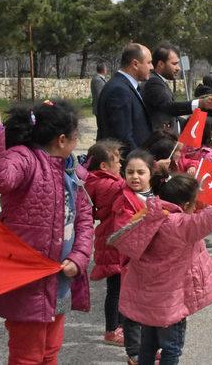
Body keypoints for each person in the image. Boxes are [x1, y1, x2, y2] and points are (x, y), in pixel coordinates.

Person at [0, 99, 93, 364]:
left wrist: (79, 257)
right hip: (28, 282)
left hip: (59, 280)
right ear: (62, 140)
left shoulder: (73, 171)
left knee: (50, 351)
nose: (77, 143)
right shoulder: (25, 159)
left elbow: (85, 220)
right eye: (76, 137)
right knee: (26, 355)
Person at [109, 174, 212, 365]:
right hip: (170, 304)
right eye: (194, 202)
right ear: (185, 205)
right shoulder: (180, 226)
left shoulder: (149, 215)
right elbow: (211, 218)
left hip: (147, 300)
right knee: (171, 348)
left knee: (148, 345)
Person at [111, 150, 157, 364]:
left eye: (141, 172)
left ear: (151, 174)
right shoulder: (123, 201)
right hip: (132, 264)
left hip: (156, 266)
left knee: (151, 309)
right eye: (130, 172)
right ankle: (134, 353)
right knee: (132, 311)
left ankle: (149, 348)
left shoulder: (159, 195)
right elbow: (125, 235)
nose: (135, 177)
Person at [84, 139, 127, 346]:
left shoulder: (97, 181)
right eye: (117, 161)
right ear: (104, 166)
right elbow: (129, 189)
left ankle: (120, 327)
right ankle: (112, 329)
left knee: (119, 287)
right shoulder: (107, 184)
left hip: (112, 239)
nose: (121, 165)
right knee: (117, 289)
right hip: (114, 241)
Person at [142, 44, 212, 133]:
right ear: (161, 64)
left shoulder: (160, 81)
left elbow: (173, 117)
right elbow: (169, 107)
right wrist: (200, 103)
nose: (178, 68)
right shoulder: (154, 82)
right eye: (174, 64)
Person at [96, 44, 153, 160]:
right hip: (125, 166)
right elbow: (123, 137)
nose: (152, 67)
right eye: (149, 62)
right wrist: (143, 163)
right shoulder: (119, 90)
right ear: (135, 64)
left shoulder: (129, 87)